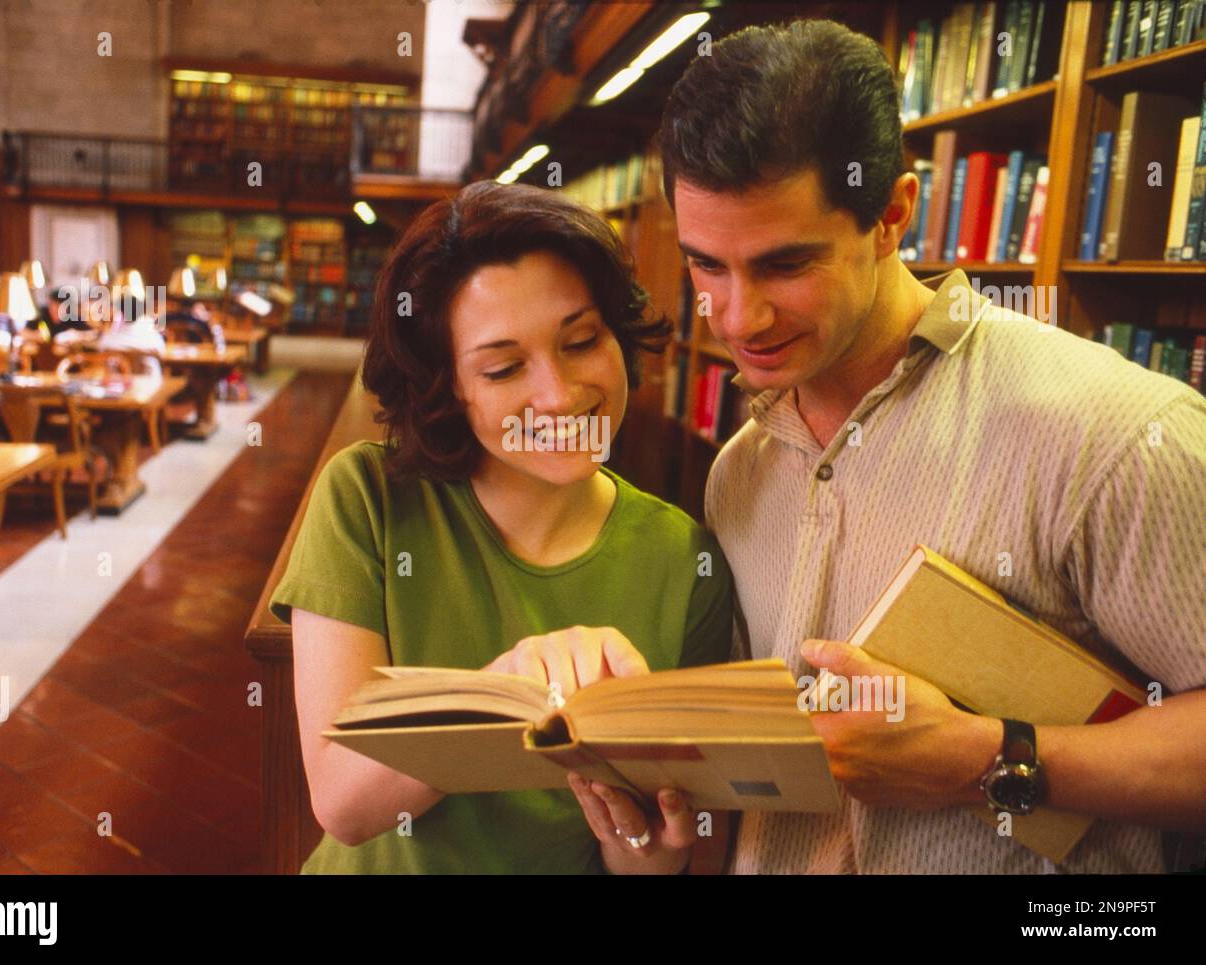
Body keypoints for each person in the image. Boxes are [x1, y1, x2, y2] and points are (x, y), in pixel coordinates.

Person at [577, 19, 1206, 874]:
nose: (736, 318)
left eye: (785, 265)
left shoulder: (1110, 434)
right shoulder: (740, 470)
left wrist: (989, 758)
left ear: (892, 216)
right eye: (706, 267)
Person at [268, 181, 734, 874]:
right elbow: (344, 799)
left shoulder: (684, 559)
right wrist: (506, 689)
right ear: (451, 384)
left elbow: (653, 852)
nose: (558, 393)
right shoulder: (368, 498)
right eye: (505, 366)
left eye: (581, 340)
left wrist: (645, 849)